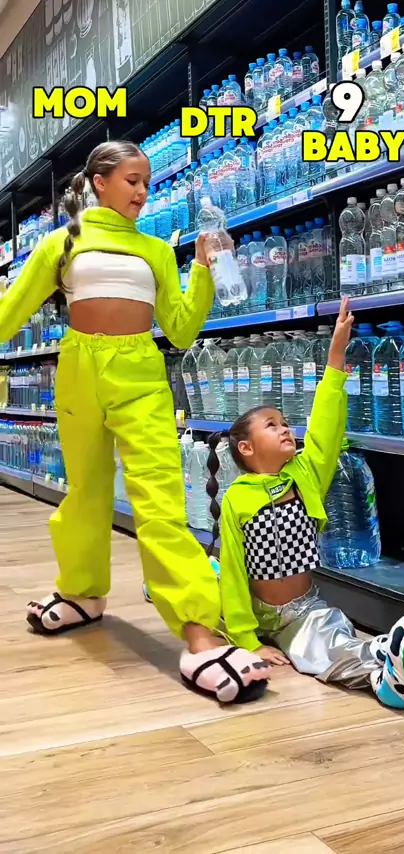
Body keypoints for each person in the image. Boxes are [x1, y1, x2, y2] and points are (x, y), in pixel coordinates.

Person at [0, 140, 270, 704]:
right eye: (132, 180)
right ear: (99, 182)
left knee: (160, 498)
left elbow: (182, 330)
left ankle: (200, 633)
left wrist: (202, 270)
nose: (143, 192)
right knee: (84, 492)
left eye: (147, 181)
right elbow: (10, 312)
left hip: (141, 374)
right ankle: (82, 593)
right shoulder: (62, 243)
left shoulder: (155, 250)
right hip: (78, 371)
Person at [205, 298, 404, 711]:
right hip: (255, 610)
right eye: (272, 425)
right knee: (209, 591)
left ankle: (383, 663)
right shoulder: (238, 498)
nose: (285, 429)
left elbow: (324, 424)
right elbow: (234, 570)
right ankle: (386, 668)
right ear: (246, 448)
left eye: (285, 423)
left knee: (326, 640)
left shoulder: (306, 474)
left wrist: (337, 352)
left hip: (301, 608)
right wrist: (247, 639)